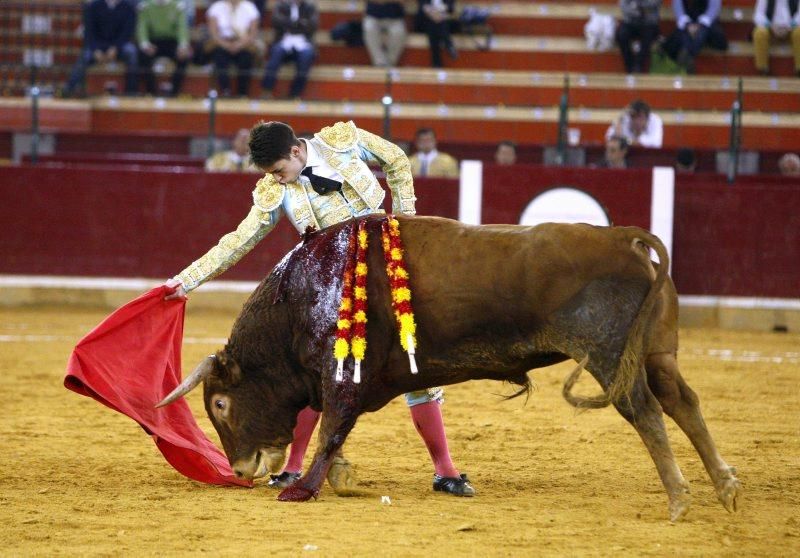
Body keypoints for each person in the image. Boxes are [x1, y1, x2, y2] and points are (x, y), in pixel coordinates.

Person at [164, 120, 475, 497]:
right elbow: (237, 242)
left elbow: (395, 159)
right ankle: (294, 468)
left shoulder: (342, 142)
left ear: (296, 151)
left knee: (413, 359)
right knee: (314, 376)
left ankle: (445, 470)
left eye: (279, 171)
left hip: (382, 268)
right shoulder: (272, 190)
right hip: (330, 285)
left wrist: (404, 221)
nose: (277, 180)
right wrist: (184, 282)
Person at [63, 0, 139, 97]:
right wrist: (95, 50)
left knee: (131, 52)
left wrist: (115, 48)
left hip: (119, 46)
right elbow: (89, 31)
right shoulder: (94, 6)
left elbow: (127, 32)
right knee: (85, 55)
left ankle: (131, 92)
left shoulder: (128, 7)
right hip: (97, 46)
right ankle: (70, 88)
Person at [260, 0, 318, 99]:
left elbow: (313, 25)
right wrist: (299, 23)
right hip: (283, 41)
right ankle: (267, 90)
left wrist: (288, 23)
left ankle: (294, 94)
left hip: (303, 43)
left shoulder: (310, 7)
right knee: (275, 56)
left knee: (306, 58)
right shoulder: (281, 5)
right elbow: (275, 21)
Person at [136, 0, 192, 97]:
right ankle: (152, 92)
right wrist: (145, 44)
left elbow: (182, 27)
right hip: (153, 41)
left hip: (172, 41)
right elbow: (142, 27)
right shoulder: (145, 6)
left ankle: (174, 92)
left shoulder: (178, 5)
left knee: (184, 57)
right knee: (142, 57)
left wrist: (182, 46)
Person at [206, 0, 261, 97]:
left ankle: (242, 93)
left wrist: (239, 45)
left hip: (243, 43)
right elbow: (213, 33)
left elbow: (253, 34)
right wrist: (226, 45)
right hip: (222, 43)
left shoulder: (250, 7)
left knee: (246, 59)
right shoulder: (216, 7)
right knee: (219, 58)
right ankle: (226, 91)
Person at [662, 0, 728, 74]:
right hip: (688, 21)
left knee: (701, 33)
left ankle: (688, 55)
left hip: (709, 24)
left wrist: (700, 25)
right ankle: (689, 56)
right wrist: (687, 24)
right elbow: (678, 6)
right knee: (683, 34)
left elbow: (713, 8)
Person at [752, 0, 800, 76]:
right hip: (771, 29)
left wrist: (790, 26)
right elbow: (758, 14)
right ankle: (763, 69)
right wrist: (770, 26)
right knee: (759, 33)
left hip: (790, 29)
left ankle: (799, 69)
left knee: (799, 32)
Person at [615, 0, 662, 74]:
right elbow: (623, 5)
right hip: (630, 21)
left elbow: (655, 3)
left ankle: (638, 64)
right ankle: (629, 65)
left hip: (649, 22)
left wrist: (637, 6)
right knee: (621, 35)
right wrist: (637, 12)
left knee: (648, 36)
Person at [363, 1, 407, 67]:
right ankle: (380, 63)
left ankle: (390, 63)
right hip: (373, 16)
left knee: (399, 32)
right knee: (369, 28)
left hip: (395, 18)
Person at [417, 0, 458, 68]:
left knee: (438, 26)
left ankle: (436, 63)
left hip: (443, 19)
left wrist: (439, 14)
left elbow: (450, 7)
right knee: (437, 26)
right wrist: (434, 14)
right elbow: (423, 7)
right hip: (426, 21)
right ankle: (449, 45)